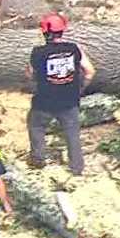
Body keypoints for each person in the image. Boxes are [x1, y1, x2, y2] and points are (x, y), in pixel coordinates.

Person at [26, 13, 95, 176]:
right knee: (72, 132)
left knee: (36, 126)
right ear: (61, 31)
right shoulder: (74, 49)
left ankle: (38, 159)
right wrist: (79, 90)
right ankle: (76, 168)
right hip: (69, 101)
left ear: (45, 32)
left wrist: (37, 80)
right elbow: (90, 71)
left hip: (44, 101)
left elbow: (29, 74)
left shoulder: (38, 52)